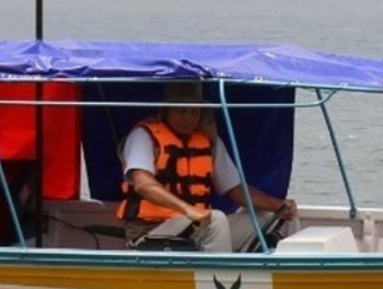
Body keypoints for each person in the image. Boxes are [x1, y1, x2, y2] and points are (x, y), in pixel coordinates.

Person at [118, 81, 297, 252]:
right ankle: (221, 279)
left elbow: (236, 190)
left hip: (195, 227)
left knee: (269, 215)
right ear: (166, 110)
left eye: (194, 112)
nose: (188, 118)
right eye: (181, 111)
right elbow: (143, 184)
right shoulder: (143, 136)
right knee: (215, 219)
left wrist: (278, 205)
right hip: (150, 232)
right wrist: (188, 210)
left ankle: (285, 271)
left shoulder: (208, 141)